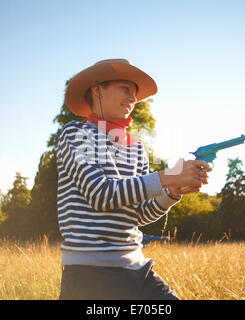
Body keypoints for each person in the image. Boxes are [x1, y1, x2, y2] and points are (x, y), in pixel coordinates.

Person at [57, 59, 210, 300]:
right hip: (91, 274)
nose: (133, 98)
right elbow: (101, 195)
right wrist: (167, 176)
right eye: (125, 89)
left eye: (135, 94)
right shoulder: (76, 133)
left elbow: (137, 215)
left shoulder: (136, 148)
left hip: (139, 269)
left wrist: (172, 192)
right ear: (97, 90)